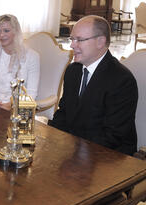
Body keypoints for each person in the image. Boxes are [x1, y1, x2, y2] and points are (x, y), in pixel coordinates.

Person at [48, 15, 138, 156]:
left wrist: (73, 150)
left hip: (110, 158)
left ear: (100, 42)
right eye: (72, 39)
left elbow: (114, 136)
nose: (72, 45)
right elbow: (64, 113)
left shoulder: (121, 80)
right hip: (76, 149)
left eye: (79, 39)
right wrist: (49, 138)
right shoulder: (73, 70)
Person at [0, 14, 40, 110]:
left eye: (6, 31)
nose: (1, 35)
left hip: (17, 109)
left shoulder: (31, 56)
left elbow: (31, 93)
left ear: (16, 31)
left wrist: (11, 105)